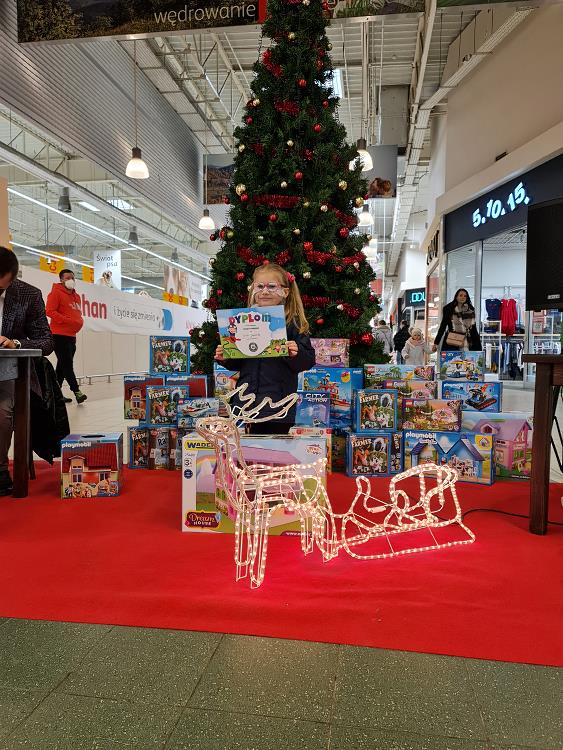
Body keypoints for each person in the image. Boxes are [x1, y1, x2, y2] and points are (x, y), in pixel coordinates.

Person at [214, 263, 315, 434]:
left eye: (272, 286)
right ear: (253, 289)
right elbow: (239, 362)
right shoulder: (242, 321)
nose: (265, 291)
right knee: (246, 448)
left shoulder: (292, 323)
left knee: (276, 448)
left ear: (285, 291)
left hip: (278, 406)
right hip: (246, 404)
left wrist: (296, 353)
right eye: (260, 286)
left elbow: (308, 360)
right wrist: (226, 357)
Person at [0, 247, 54, 496]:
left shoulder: (28, 295)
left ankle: (1, 470)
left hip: (11, 373)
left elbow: (46, 342)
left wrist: (15, 343)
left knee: (2, 411)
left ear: (12, 279)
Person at [46, 269, 87, 404]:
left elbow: (76, 314)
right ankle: (77, 391)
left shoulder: (76, 296)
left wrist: (77, 322)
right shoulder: (56, 293)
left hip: (71, 335)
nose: (71, 280)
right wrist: (66, 321)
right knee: (67, 365)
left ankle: (55, 395)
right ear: (61, 280)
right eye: (68, 278)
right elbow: (49, 311)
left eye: (73, 278)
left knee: (62, 367)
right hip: (59, 335)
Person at [432, 288, 482, 352]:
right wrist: (436, 343)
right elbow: (443, 326)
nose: (463, 297)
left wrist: (478, 346)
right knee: (453, 358)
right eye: (460, 295)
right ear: (456, 297)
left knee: (468, 358)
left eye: (465, 296)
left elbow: (473, 328)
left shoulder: (470, 310)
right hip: (453, 340)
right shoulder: (448, 309)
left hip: (468, 340)